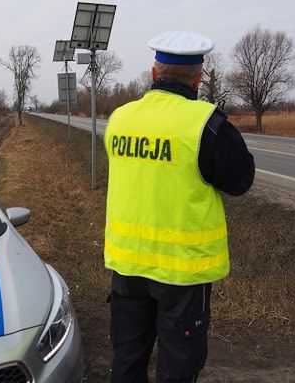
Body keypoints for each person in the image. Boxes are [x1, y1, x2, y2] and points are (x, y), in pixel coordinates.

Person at [104, 31, 255, 383]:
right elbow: (240, 181)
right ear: (199, 79)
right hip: (183, 275)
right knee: (178, 365)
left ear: (154, 74)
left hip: (127, 267)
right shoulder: (208, 125)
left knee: (126, 359)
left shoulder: (120, 119)